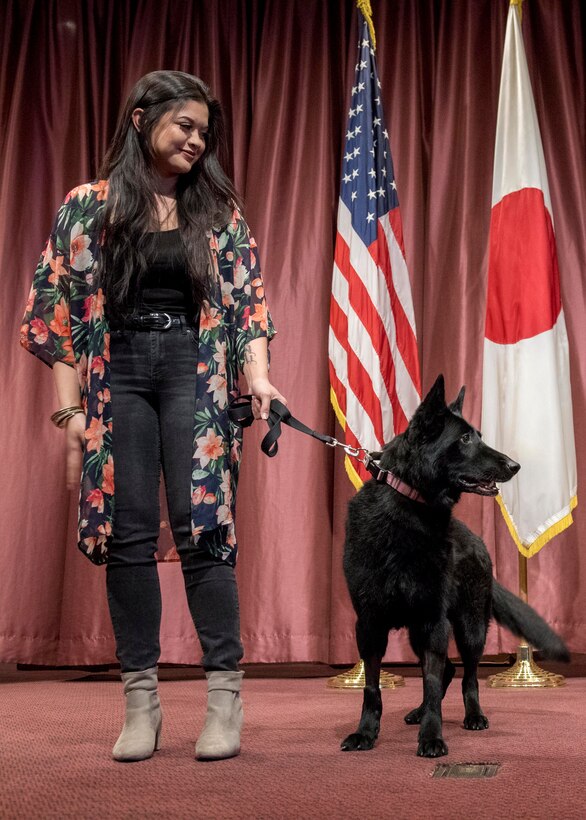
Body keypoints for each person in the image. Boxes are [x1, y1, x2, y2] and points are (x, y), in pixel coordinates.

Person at [20, 70, 285, 763]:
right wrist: (69, 411)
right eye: (185, 126)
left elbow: (248, 306)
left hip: (193, 374)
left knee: (204, 532)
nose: (198, 140)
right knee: (129, 533)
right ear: (142, 120)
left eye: (205, 130)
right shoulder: (88, 207)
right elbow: (59, 311)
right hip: (119, 377)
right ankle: (141, 704)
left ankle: (224, 700)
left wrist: (258, 378)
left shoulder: (218, 212)